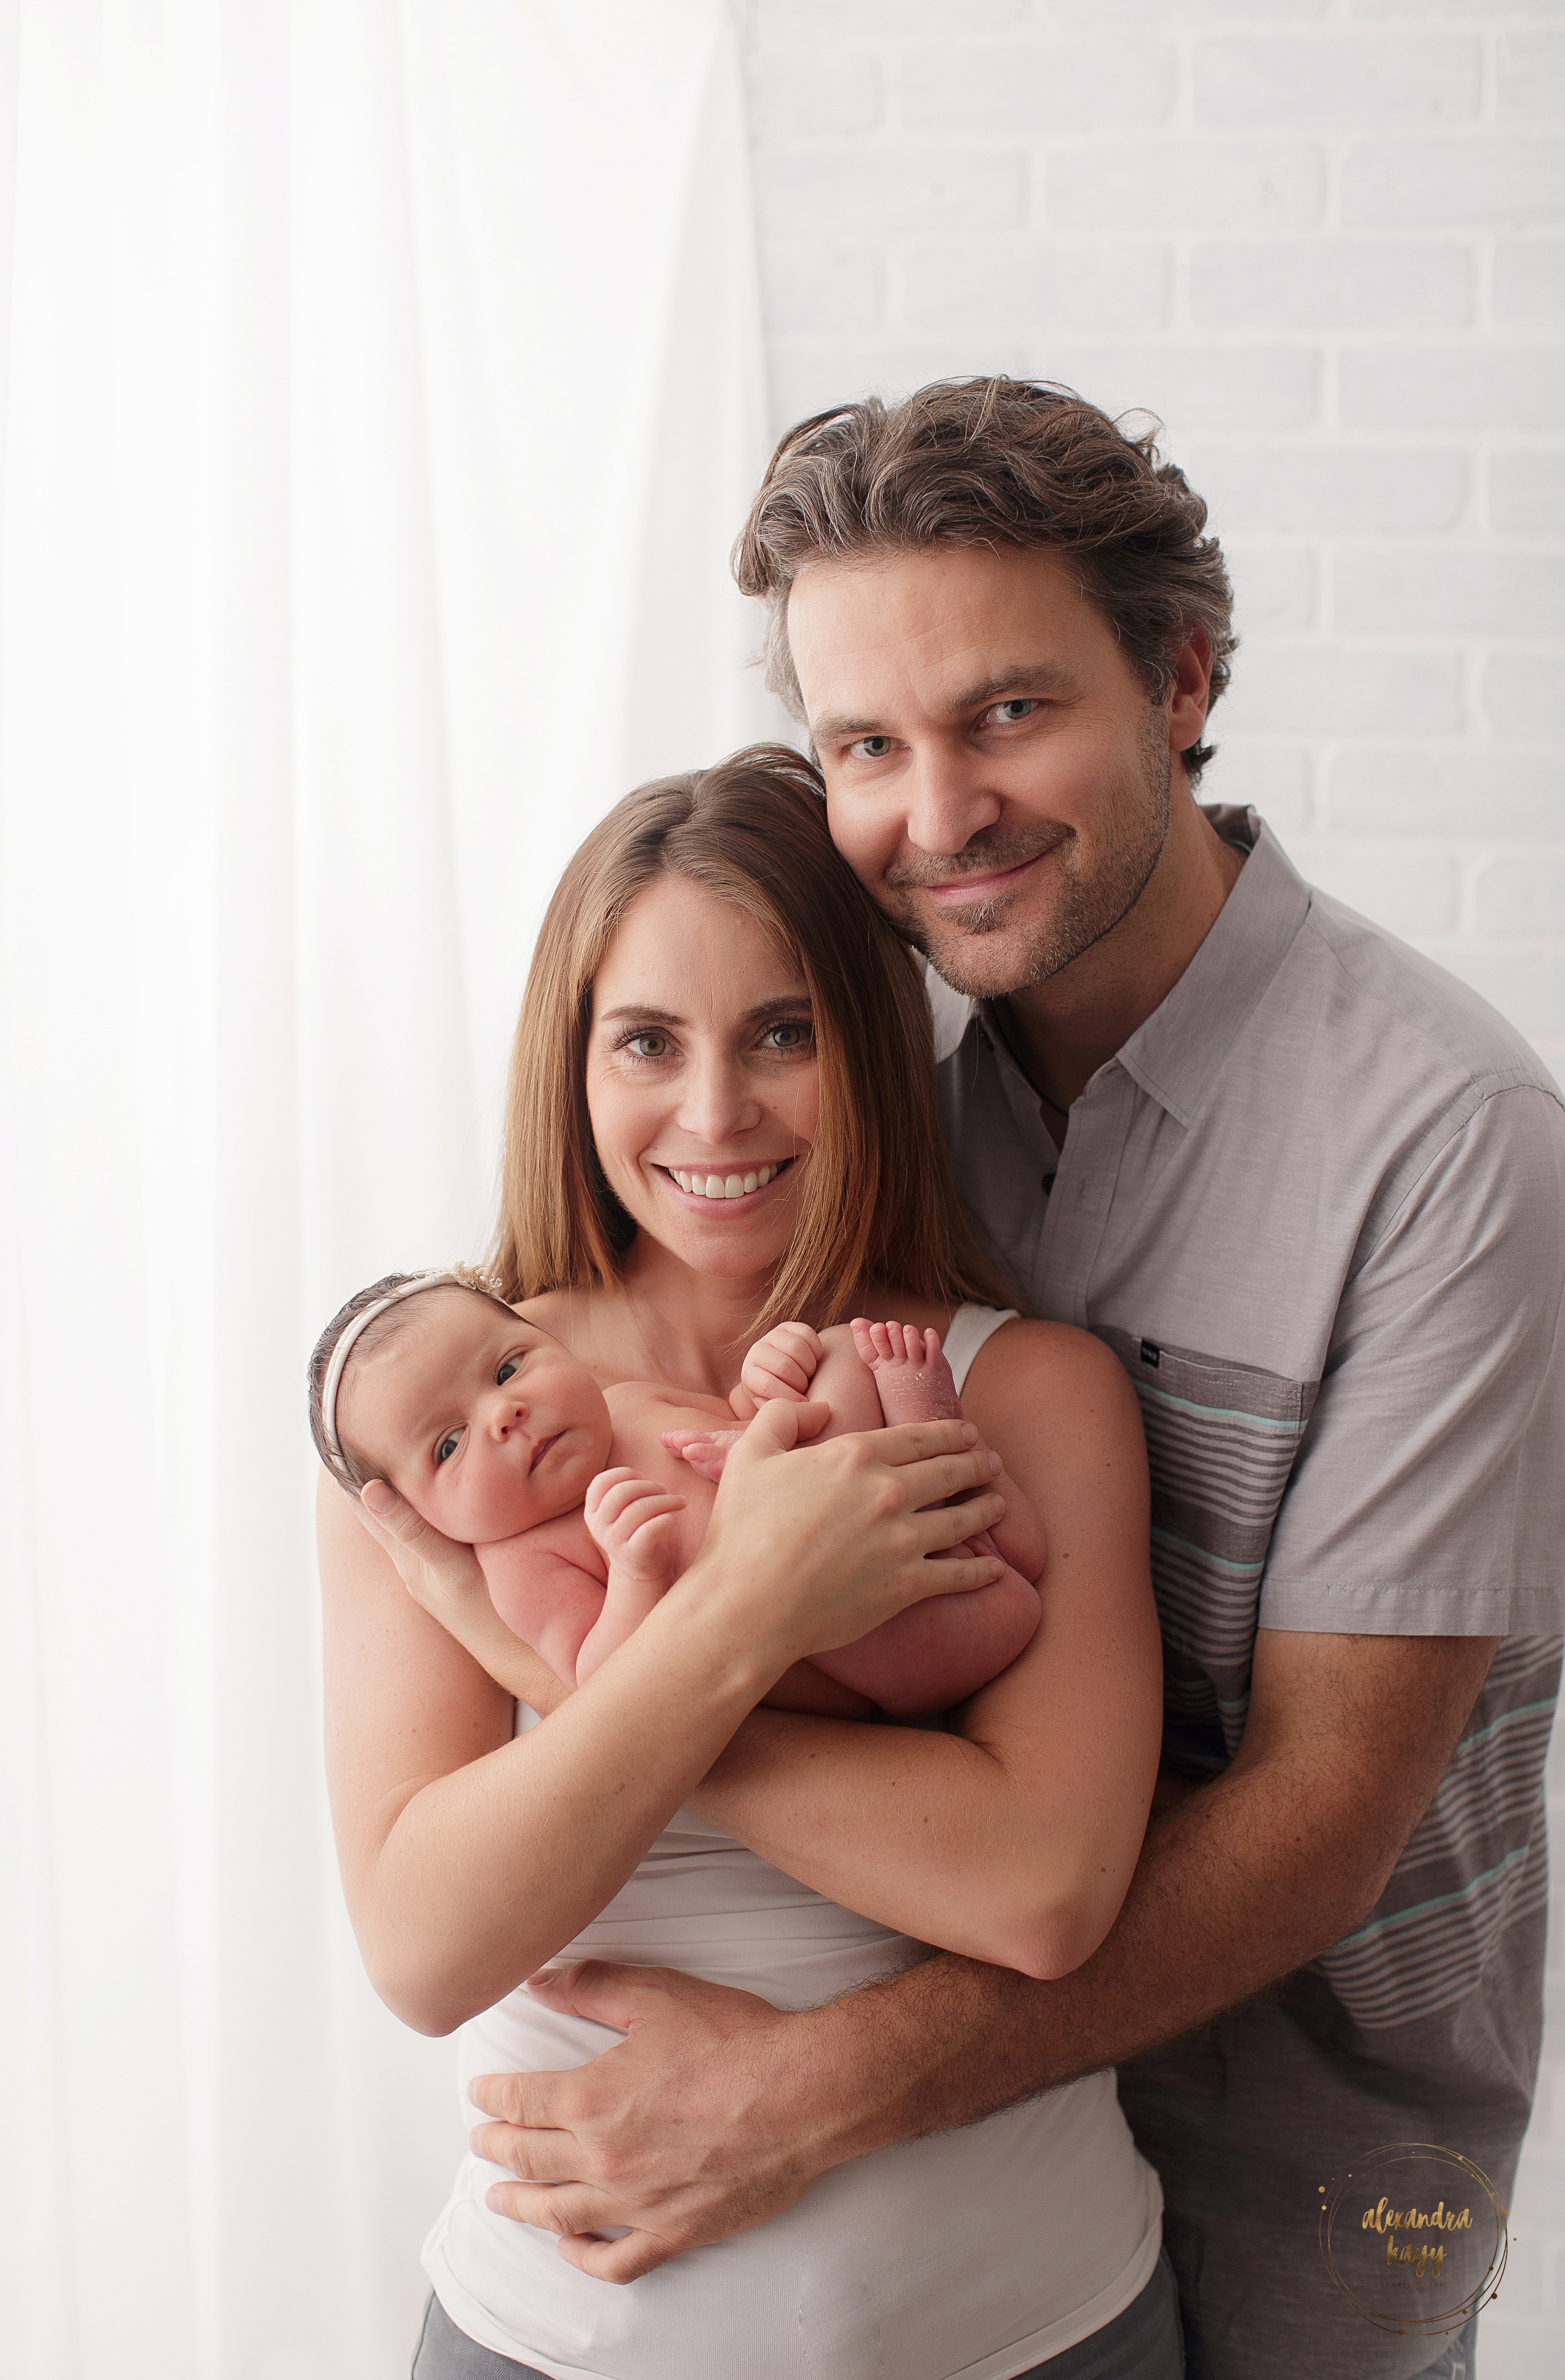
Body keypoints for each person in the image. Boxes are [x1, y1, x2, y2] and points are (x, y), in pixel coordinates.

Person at [460, 381, 1565, 2380]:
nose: (934, 812)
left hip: (1306, 2168)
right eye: (864, 747)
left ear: (1177, 676)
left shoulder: (1439, 1136)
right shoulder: (869, 1129)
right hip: (946, 2201)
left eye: (1003, 713)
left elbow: (1321, 1815)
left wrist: (805, 2086)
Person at [319, 748, 1180, 2378]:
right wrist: (742, 1616)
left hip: (1038, 2331)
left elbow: (1040, 1891)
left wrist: (574, 1675)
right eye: (646, 1040)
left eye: (780, 1032)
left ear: (868, 1039)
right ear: (570, 1062)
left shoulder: (1023, 1389)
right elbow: (426, 1949)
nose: (713, 1114)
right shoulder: (437, 1427)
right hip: (544, 2341)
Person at [309, 1272, 1043, 1715]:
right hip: (866, 1640)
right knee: (1011, 1602)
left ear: (552, 1343)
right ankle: (948, 1472)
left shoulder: (623, 1401)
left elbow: (733, 1417)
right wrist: (636, 1575)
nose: (504, 1415)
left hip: (889, 1511)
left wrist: (765, 1383)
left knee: (840, 1350)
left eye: (506, 1371)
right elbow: (603, 1685)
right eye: (448, 1444)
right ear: (420, 1515)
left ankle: (943, 1447)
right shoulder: (525, 1560)